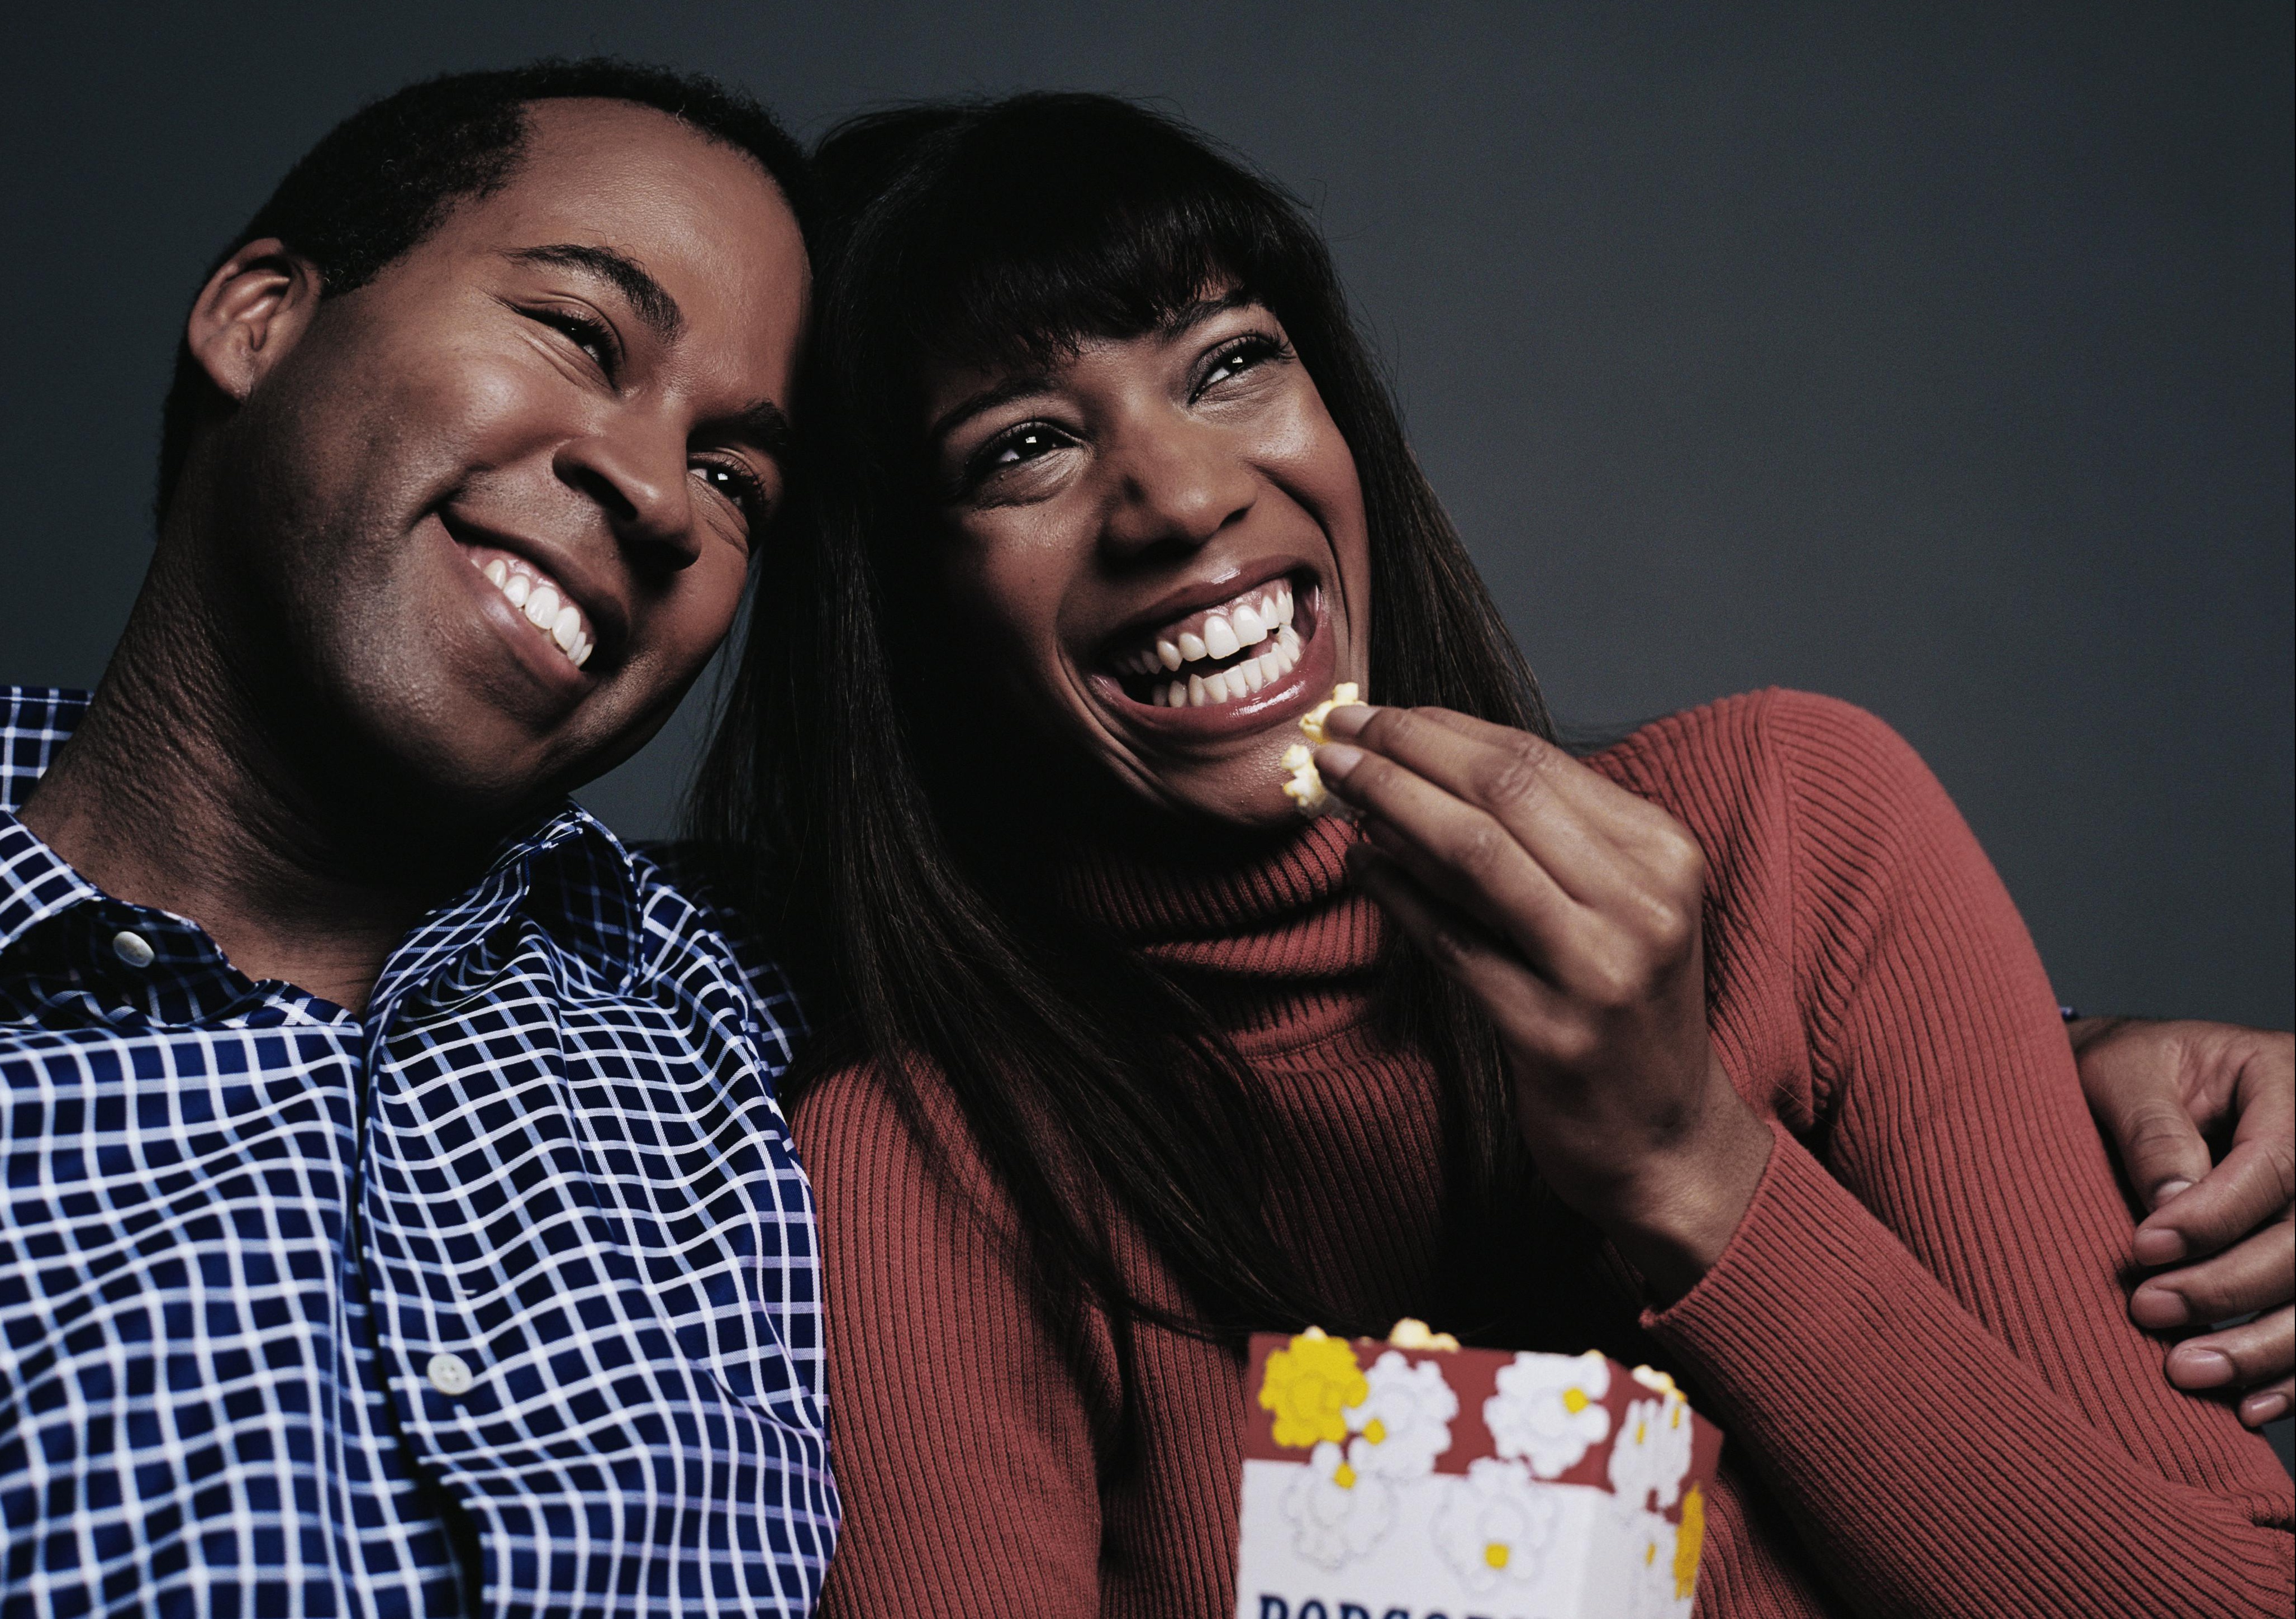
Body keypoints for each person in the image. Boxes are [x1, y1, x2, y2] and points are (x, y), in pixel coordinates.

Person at [688, 94, 2296, 1615]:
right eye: (1024, 447)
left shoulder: (1797, 835)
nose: (1180, 494)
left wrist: (1696, 1170)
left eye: (1232, 358)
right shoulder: (931, 1170)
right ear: (898, 619)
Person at [0, 63, 835, 1615]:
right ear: (261, 321)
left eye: (736, 478)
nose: (660, 492)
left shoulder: (765, 1022)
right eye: (583, 334)